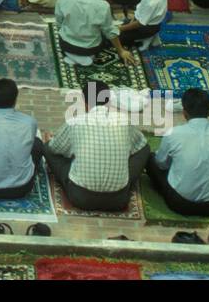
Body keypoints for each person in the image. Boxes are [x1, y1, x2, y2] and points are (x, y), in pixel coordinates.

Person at [41, 79, 151, 212]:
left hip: (80, 198)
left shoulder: (75, 122)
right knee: (145, 149)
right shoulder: (123, 120)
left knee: (47, 148)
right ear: (109, 100)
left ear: (84, 101)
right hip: (118, 200)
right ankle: (120, 180)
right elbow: (140, 145)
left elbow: (54, 148)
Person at [146, 88, 209, 217]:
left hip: (179, 204)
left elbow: (161, 164)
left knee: (150, 159)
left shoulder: (174, 133)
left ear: (184, 113)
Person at [55, 0, 132, 65]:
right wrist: (121, 51)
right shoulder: (102, 6)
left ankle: (72, 56)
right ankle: (84, 59)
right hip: (90, 49)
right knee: (112, 32)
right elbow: (110, 32)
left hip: (66, 44)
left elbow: (59, 23)